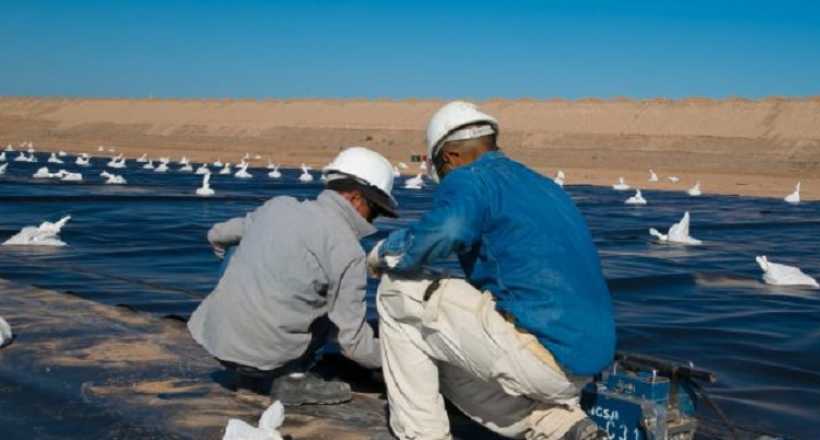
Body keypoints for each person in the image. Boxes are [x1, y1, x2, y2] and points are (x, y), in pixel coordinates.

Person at [369, 101, 615, 440]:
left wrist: (386, 254)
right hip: (583, 366)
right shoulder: (544, 186)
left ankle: (421, 435)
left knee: (397, 292)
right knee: (440, 351)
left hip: (539, 356)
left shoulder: (471, 178)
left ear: (450, 157)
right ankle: (556, 425)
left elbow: (448, 231)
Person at [188, 146, 397, 406]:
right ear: (356, 198)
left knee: (243, 247)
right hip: (267, 361)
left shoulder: (279, 206)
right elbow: (353, 343)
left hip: (215, 341)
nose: (374, 220)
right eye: (375, 210)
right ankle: (293, 378)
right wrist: (399, 360)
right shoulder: (349, 252)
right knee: (330, 309)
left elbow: (217, 234)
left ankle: (246, 368)